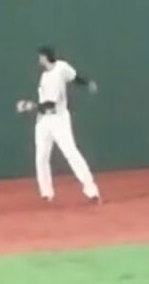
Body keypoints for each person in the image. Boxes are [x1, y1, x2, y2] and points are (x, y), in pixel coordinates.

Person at [15, 46, 102, 203]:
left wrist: (29, 106)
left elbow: (53, 102)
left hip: (58, 119)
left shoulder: (61, 68)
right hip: (43, 121)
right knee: (41, 156)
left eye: (40, 57)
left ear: (44, 57)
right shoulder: (44, 76)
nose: (38, 59)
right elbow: (45, 103)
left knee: (71, 153)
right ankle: (46, 193)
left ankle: (91, 190)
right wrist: (88, 83)